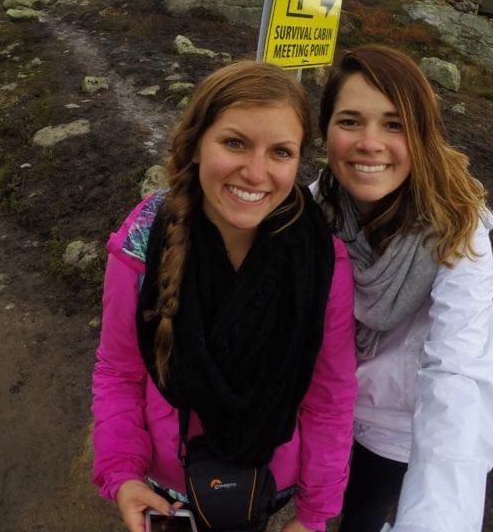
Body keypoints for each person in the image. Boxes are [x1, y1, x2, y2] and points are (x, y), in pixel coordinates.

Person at [92, 60, 357, 532]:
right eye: (235, 143)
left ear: (299, 161)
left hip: (269, 483)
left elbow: (329, 396)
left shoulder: (321, 260)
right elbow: (120, 370)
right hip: (168, 494)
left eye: (280, 152)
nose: (256, 173)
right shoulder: (141, 244)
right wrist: (122, 474)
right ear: (195, 144)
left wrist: (315, 516)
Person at [312, 45, 493, 532]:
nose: (370, 143)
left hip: (396, 426)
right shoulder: (316, 209)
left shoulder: (458, 229)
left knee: (360, 516)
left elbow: (458, 372)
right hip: (321, 413)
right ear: (326, 130)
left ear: (421, 134)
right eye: (350, 121)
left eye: (394, 124)